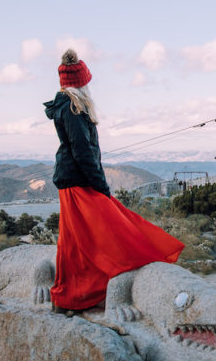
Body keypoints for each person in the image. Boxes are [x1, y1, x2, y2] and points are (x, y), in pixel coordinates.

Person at [44, 49, 184, 313]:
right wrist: (101, 186)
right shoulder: (72, 107)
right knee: (109, 229)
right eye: (86, 81)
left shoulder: (67, 105)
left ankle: (73, 296)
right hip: (78, 181)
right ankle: (73, 295)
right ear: (80, 83)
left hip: (73, 179)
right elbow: (82, 150)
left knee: (78, 239)